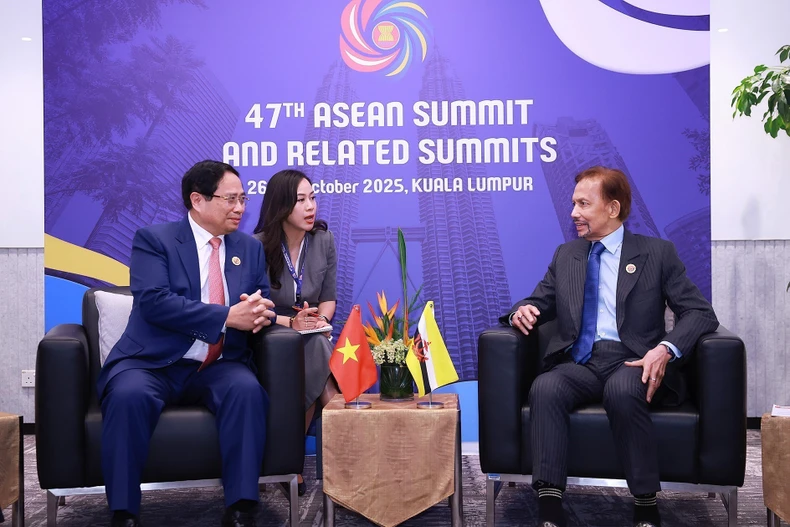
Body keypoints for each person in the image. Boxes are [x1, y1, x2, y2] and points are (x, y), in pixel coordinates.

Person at [503, 166, 718, 527]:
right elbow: (539, 301)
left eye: (583, 204)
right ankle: (550, 510)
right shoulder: (566, 255)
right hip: (581, 361)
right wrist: (521, 311)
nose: (574, 213)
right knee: (546, 387)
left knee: (621, 391)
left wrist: (665, 349)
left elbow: (699, 313)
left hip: (633, 360)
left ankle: (646, 503)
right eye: (573, 203)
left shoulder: (657, 253)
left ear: (613, 208)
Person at [97, 160, 275, 527]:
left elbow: (260, 298)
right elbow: (154, 301)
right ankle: (124, 512)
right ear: (197, 200)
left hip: (218, 365)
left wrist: (261, 311)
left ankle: (242, 506)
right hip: (151, 363)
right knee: (128, 396)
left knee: (247, 391)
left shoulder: (250, 248)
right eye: (231, 199)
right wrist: (226, 317)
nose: (240, 208)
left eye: (243, 199)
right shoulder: (155, 240)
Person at [253, 169, 339, 496]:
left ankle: (288, 460)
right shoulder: (257, 247)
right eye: (301, 200)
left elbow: (328, 298)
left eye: (312, 198)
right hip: (272, 331)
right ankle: (342, 457)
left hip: (313, 327)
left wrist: (319, 320)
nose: (310, 207)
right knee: (318, 357)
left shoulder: (324, 241)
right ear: (281, 205)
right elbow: (253, 306)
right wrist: (291, 323)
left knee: (316, 343)